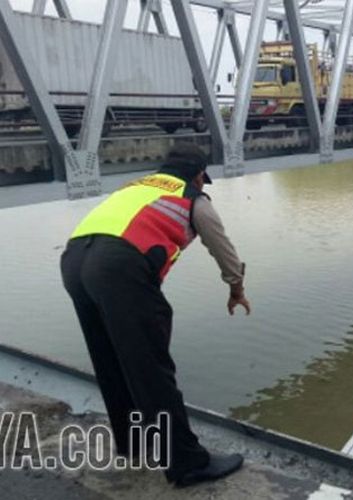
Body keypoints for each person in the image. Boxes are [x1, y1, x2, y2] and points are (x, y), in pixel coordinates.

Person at [60, 143, 251, 487]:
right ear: (198, 175)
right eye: (203, 180)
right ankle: (187, 463)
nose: (203, 185)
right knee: (151, 369)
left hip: (74, 260)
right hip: (118, 267)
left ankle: (134, 443)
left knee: (112, 362)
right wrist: (236, 288)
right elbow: (222, 248)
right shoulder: (193, 198)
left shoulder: (137, 186)